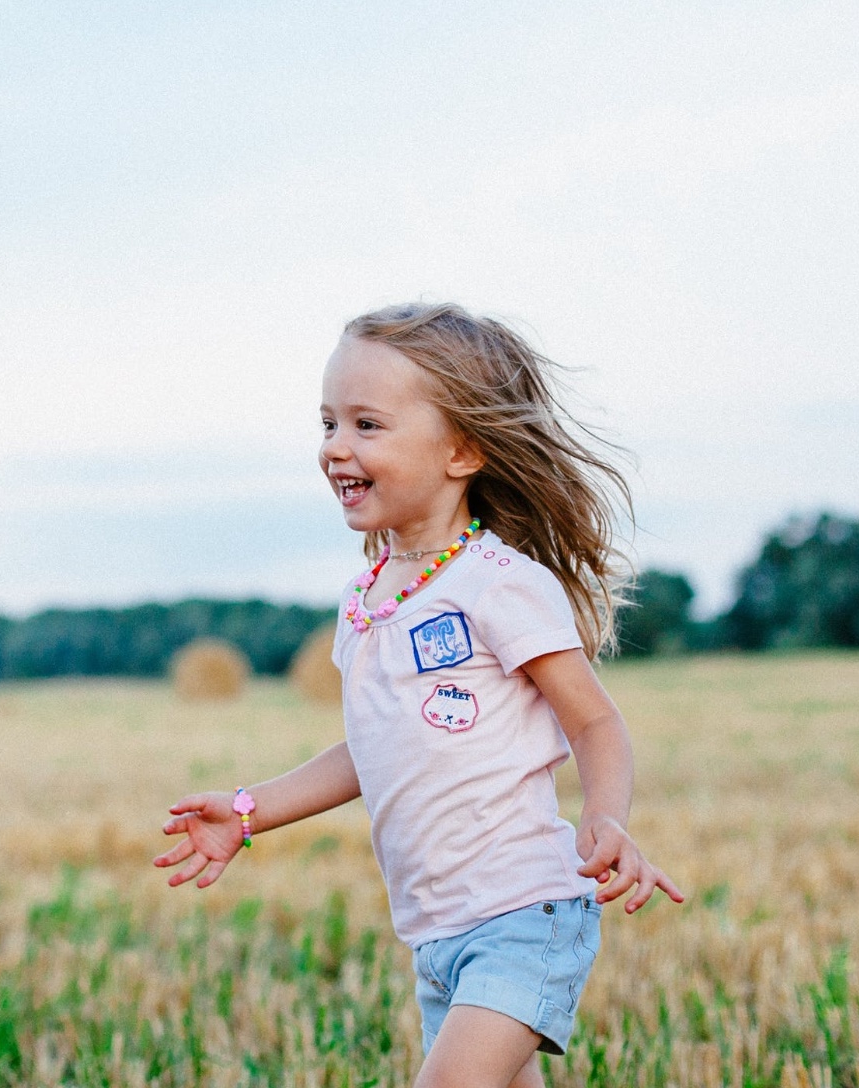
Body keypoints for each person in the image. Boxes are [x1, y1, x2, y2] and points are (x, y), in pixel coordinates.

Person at [153, 302, 684, 1088]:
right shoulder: (367, 598)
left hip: (524, 913)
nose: (336, 447)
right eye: (328, 423)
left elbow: (594, 720)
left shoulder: (500, 584)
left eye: (368, 425)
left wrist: (606, 820)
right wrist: (248, 810)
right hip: (437, 932)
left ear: (463, 450)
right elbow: (372, 746)